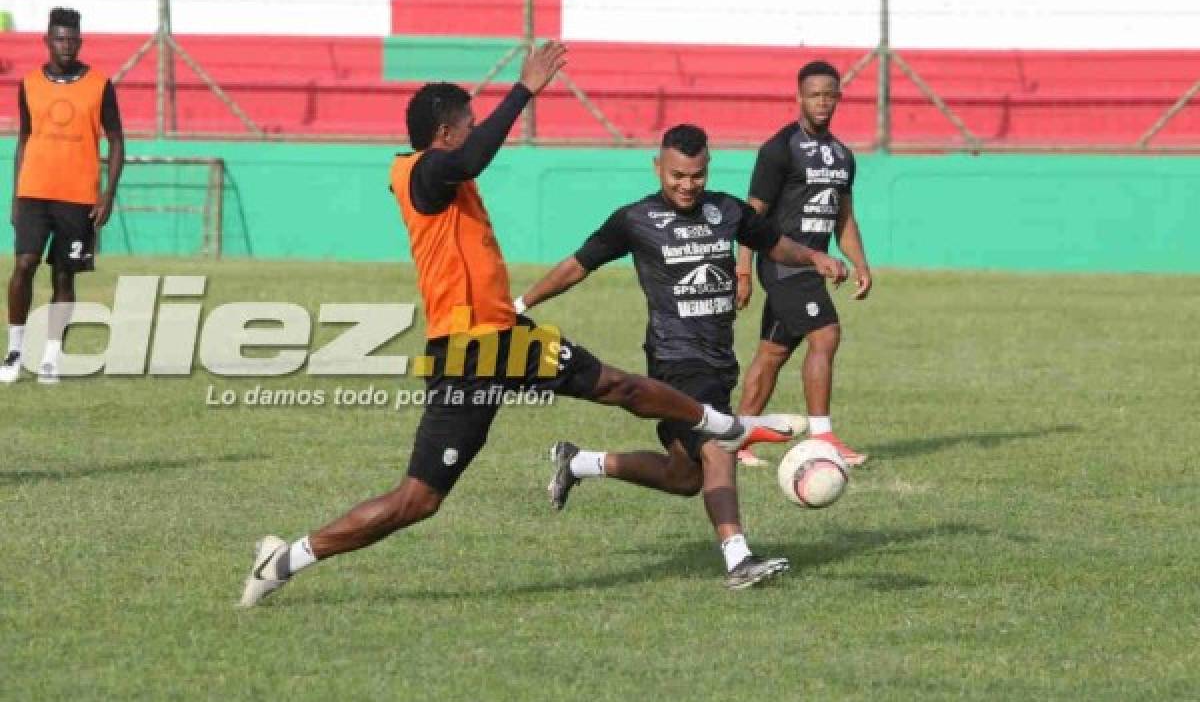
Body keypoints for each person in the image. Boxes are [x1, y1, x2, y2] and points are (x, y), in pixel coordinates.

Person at [239, 42, 793, 607]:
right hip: (466, 354)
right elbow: (469, 159)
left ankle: (720, 426)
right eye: (468, 126)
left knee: (617, 385)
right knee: (418, 500)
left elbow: (468, 164)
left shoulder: (443, 177)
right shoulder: (424, 172)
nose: (474, 133)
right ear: (447, 134)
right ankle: (286, 559)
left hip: (506, 338)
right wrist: (525, 89)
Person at [514, 123, 847, 589]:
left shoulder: (728, 210)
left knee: (684, 477)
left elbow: (774, 244)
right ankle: (738, 558)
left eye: (696, 175)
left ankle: (579, 462)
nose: (687, 185)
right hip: (674, 359)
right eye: (676, 176)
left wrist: (813, 257)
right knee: (719, 444)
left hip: (718, 360)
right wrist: (520, 306)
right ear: (658, 168)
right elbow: (577, 265)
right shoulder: (635, 219)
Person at [734, 60, 872, 467]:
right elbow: (751, 215)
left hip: (815, 266)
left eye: (830, 95)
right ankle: (824, 439)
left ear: (839, 98)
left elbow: (842, 218)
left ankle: (737, 439)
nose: (822, 102)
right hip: (782, 264)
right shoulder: (779, 149)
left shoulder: (842, 156)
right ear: (799, 97)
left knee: (772, 353)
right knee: (825, 334)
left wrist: (861, 264)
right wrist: (743, 271)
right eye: (814, 94)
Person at [2, 7, 124, 385]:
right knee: (24, 265)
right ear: (47, 41)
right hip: (34, 192)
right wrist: (15, 194)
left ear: (80, 41)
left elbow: (117, 141)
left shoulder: (100, 85)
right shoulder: (29, 83)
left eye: (73, 40)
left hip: (77, 197)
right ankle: (15, 350)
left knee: (64, 277)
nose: (66, 46)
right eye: (59, 39)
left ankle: (52, 357)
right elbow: (24, 139)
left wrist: (107, 194)